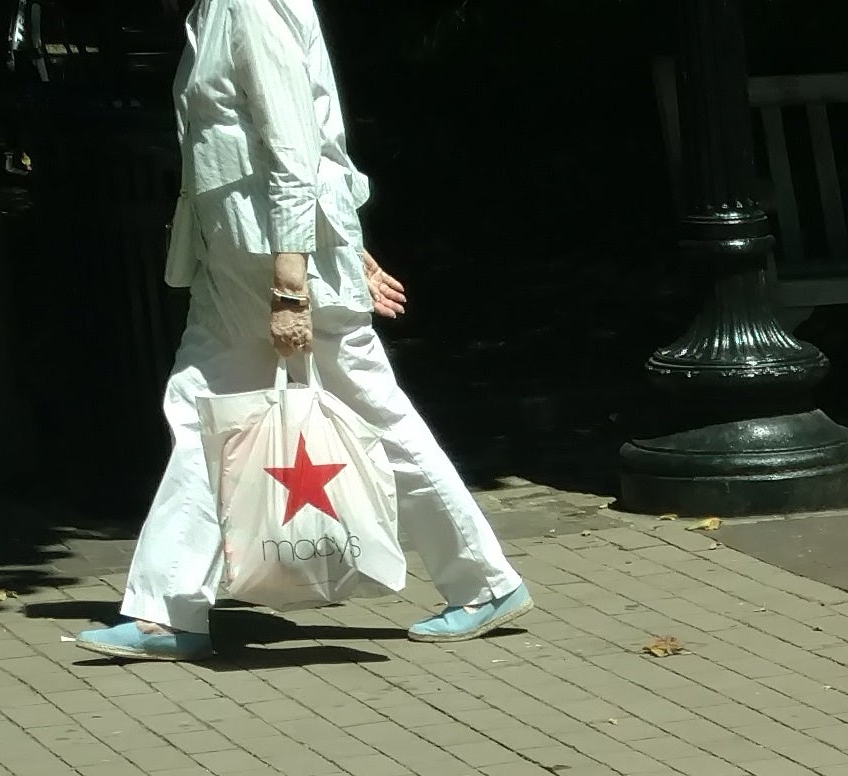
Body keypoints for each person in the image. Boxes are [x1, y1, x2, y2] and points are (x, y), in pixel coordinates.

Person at [86, 0, 531, 662]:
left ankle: (484, 582)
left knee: (369, 416)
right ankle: (169, 611)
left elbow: (295, 148)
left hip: (273, 267)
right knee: (206, 411)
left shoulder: (248, 7)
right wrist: (344, 250)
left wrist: (293, 286)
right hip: (239, 269)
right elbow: (316, 142)